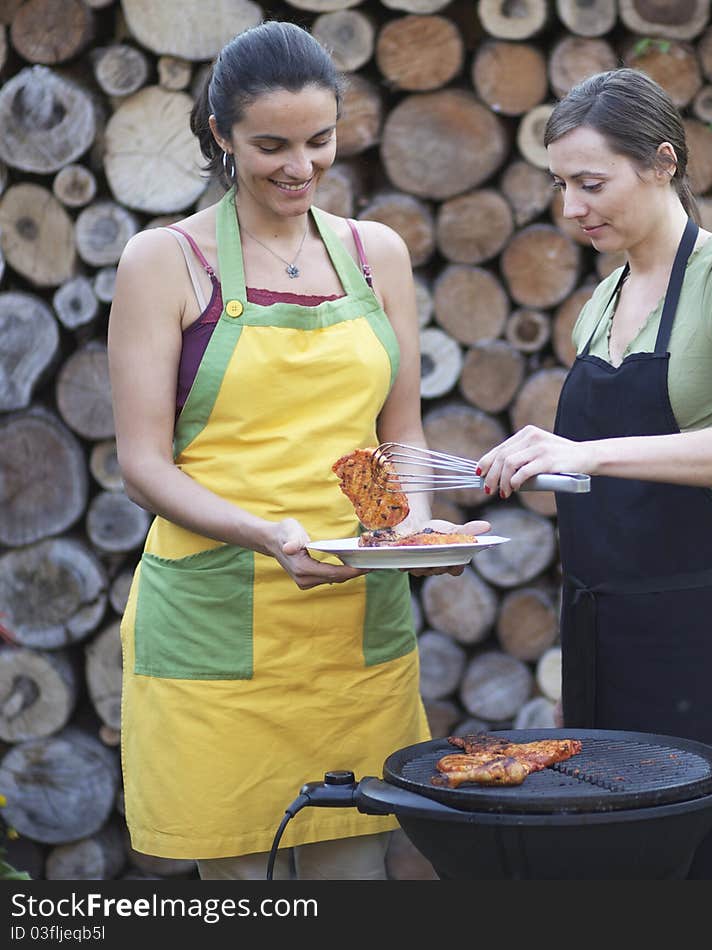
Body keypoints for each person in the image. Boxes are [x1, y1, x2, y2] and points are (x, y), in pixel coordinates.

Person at [108, 20, 485, 881]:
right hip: (218, 626)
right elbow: (144, 464)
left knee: (353, 884)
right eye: (270, 145)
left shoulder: (375, 254)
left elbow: (403, 434)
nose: (301, 167)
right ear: (220, 137)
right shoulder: (164, 262)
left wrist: (414, 533)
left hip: (353, 630)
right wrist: (269, 535)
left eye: (320, 141)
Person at [477, 68, 712, 880]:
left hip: (709, 638)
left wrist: (583, 452)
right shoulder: (601, 302)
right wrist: (533, 462)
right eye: (560, 185)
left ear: (661, 162)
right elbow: (609, 482)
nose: (570, 208)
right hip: (605, 637)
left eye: (591, 183)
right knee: (615, 865)